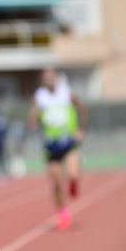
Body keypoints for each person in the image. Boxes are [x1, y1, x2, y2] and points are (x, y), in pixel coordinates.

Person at [27, 68, 88, 230]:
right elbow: (32, 121)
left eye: (51, 77)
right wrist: (34, 116)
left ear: (56, 78)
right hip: (51, 144)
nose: (49, 80)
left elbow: (83, 109)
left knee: (73, 174)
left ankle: (74, 183)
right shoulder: (40, 96)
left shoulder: (67, 93)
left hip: (68, 141)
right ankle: (63, 213)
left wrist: (81, 130)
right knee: (56, 183)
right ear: (42, 80)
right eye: (46, 78)